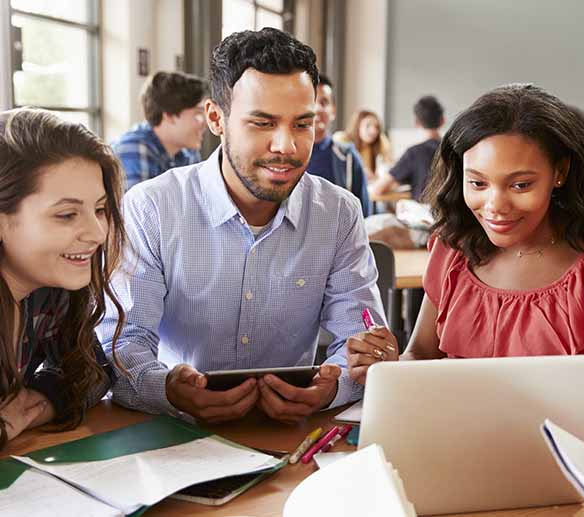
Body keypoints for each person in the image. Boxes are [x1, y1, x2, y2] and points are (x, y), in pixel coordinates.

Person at [96, 28, 384, 425]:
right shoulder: (152, 208)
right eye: (263, 123)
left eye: (303, 124)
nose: (286, 145)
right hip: (171, 430)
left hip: (290, 433)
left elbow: (361, 341)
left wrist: (334, 387)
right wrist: (165, 388)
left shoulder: (338, 213)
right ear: (216, 118)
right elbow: (121, 342)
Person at [348, 84, 584, 438]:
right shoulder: (453, 246)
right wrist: (389, 367)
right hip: (454, 447)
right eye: (477, 183)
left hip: (565, 459)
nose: (495, 206)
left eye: (521, 185)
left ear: (560, 172)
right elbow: (421, 356)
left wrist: (478, 413)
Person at [0, 108, 127, 448]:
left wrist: (27, 409)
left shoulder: (48, 290)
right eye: (67, 215)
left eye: (99, 209)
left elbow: (94, 372)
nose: (97, 233)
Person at [113, 71, 209, 190]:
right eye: (198, 114)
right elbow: (142, 207)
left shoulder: (188, 152)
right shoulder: (135, 149)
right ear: (169, 115)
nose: (205, 123)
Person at [307, 75, 371, 216]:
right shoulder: (287, 153)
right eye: (312, 101)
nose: (318, 108)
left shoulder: (347, 157)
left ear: (333, 111)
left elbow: (363, 212)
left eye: (324, 102)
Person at [371, 95, 444, 202]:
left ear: (417, 122)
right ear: (442, 120)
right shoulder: (455, 150)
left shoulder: (414, 153)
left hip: (424, 215)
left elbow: (378, 189)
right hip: (453, 215)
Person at [334, 109, 392, 181]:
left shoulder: (376, 144)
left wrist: (383, 139)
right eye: (368, 126)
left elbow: (389, 165)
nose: (373, 131)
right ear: (357, 126)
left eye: (377, 127)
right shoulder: (341, 138)